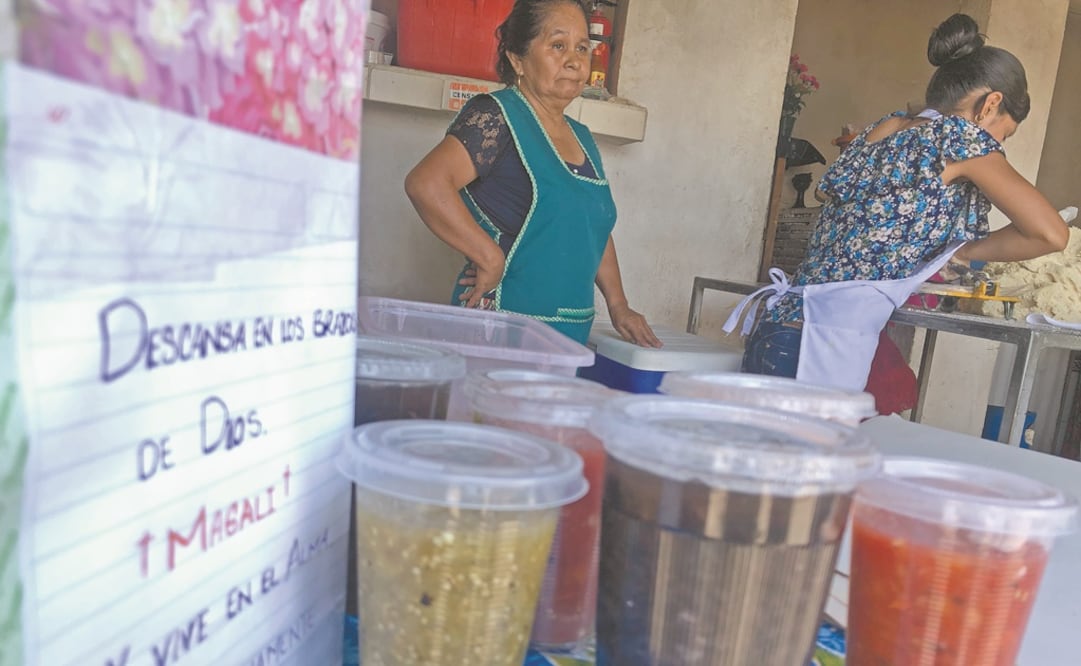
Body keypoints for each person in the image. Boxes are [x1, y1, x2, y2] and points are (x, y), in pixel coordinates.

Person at [727, 13, 1067, 392]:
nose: (997, 146)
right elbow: (1051, 234)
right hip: (817, 349)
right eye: (1004, 134)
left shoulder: (886, 127)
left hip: (777, 327)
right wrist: (963, 253)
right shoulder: (959, 138)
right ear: (991, 104)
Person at [404, 0, 660, 347]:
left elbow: (593, 230)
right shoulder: (497, 117)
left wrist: (619, 305)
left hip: (567, 335)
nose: (574, 60)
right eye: (558, 45)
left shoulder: (581, 136)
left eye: (582, 47)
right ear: (517, 59)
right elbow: (426, 183)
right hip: (500, 330)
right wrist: (488, 256)